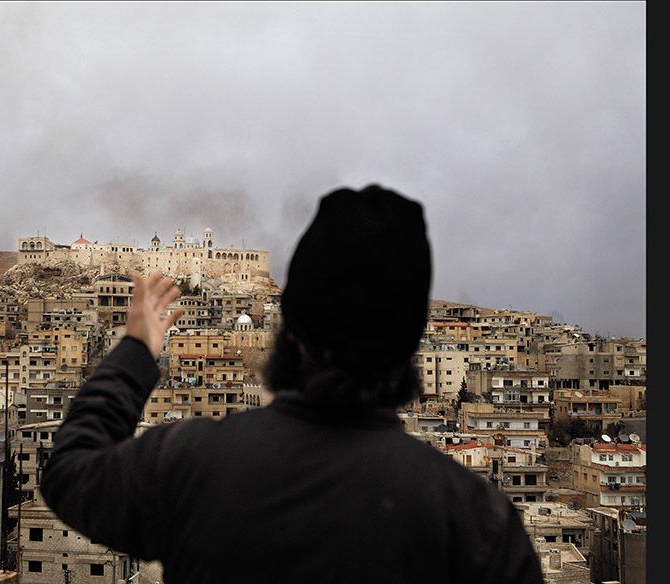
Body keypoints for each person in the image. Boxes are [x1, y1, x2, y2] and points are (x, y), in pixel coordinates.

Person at [40, 185, 544, 583]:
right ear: (408, 344)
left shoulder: (191, 463)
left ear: (291, 330)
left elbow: (68, 470)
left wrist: (134, 350)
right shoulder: (478, 522)